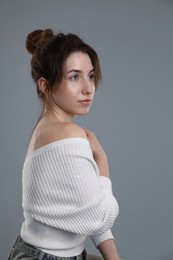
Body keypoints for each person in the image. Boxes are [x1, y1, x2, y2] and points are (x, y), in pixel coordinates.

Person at [8, 29, 120, 260]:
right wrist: (103, 163)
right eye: (74, 77)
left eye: (90, 75)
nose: (89, 88)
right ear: (45, 85)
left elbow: (88, 213)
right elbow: (100, 216)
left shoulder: (47, 129)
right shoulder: (67, 134)